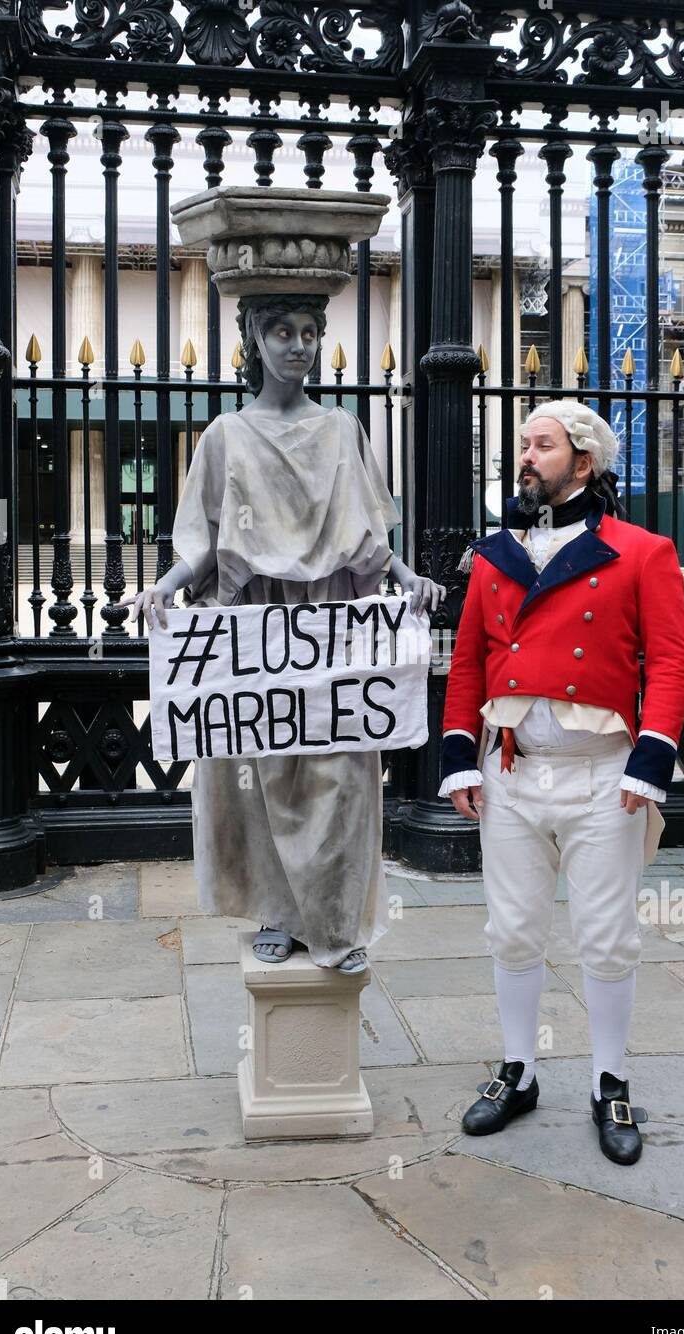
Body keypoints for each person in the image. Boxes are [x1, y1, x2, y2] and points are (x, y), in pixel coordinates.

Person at [129, 295, 444, 974]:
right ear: (255, 339)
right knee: (262, 775)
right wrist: (167, 584)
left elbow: (368, 537)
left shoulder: (342, 430)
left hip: (328, 626)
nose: (297, 346)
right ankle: (277, 907)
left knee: (341, 775)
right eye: (281, 331)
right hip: (258, 628)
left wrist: (409, 576)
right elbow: (206, 542)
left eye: (308, 333)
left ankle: (331, 921)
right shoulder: (224, 436)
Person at [438, 400, 684, 1163]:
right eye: (522, 443)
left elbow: (673, 663)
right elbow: (468, 665)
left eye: (541, 444)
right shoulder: (492, 556)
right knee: (512, 929)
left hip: (602, 777)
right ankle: (518, 1072)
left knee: (607, 938)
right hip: (511, 773)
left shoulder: (641, 552)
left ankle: (609, 1082)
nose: (525, 456)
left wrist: (651, 764)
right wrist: (458, 755)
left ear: (583, 462)